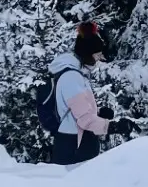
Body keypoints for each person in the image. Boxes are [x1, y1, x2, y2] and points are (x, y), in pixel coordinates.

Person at [47, 21, 136, 165]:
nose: (99, 59)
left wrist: (99, 114)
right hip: (73, 148)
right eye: (97, 55)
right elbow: (84, 119)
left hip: (76, 143)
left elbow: (77, 112)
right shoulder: (71, 78)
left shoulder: (77, 75)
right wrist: (112, 127)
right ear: (87, 54)